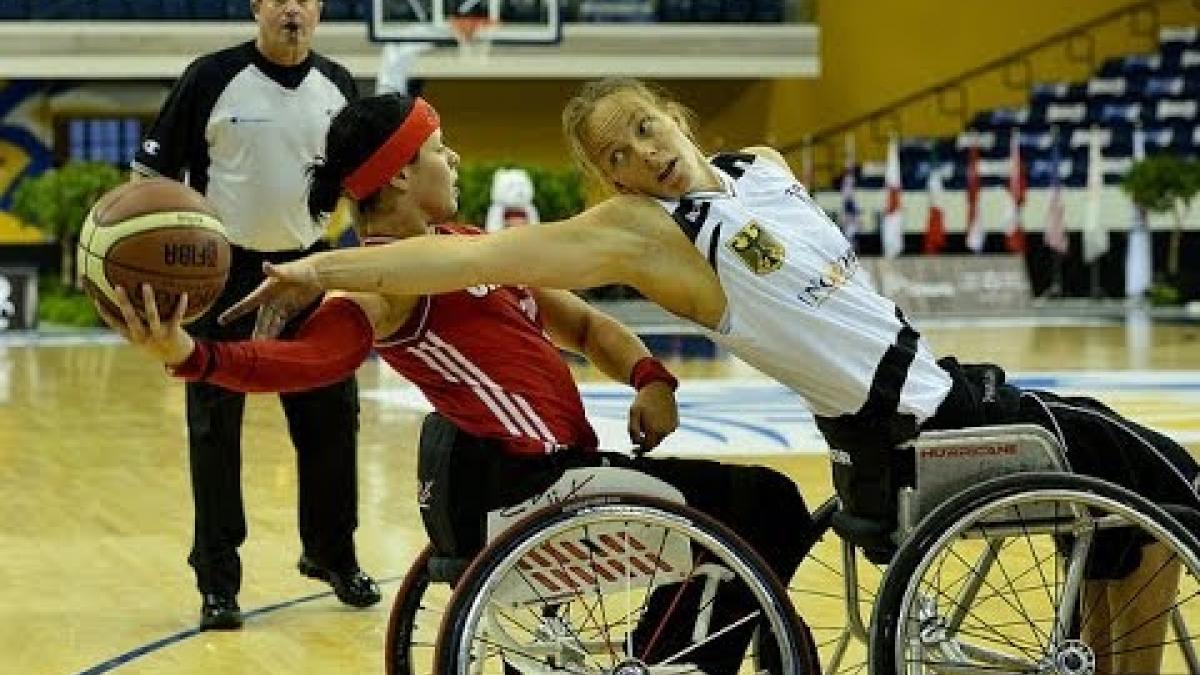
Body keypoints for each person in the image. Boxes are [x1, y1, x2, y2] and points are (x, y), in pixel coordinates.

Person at [226, 78, 1200, 673]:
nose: (644, 155)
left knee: (1137, 522)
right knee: (1169, 507)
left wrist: (647, 374)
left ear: (675, 116)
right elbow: (459, 262)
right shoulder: (651, 234)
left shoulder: (766, 168)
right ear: (609, 182)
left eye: (647, 127)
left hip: (959, 387)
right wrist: (321, 266)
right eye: (618, 155)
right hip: (920, 429)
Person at [105, 92, 815, 674]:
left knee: (733, 514)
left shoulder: (465, 247)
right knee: (771, 504)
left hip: (555, 483)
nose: (455, 158)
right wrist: (195, 355)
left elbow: (586, 325)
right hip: (525, 489)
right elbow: (316, 362)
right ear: (404, 174)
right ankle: (669, 662)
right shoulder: (379, 281)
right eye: (440, 149)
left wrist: (649, 375)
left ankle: (663, 652)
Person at [129, 0, 378, 630]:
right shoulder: (210, 78)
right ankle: (218, 582)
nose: (292, 7)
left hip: (310, 272)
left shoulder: (339, 85)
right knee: (214, 431)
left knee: (332, 419)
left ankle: (331, 555)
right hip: (222, 274)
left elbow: (352, 182)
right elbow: (151, 175)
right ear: (256, 7)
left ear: (318, 10)